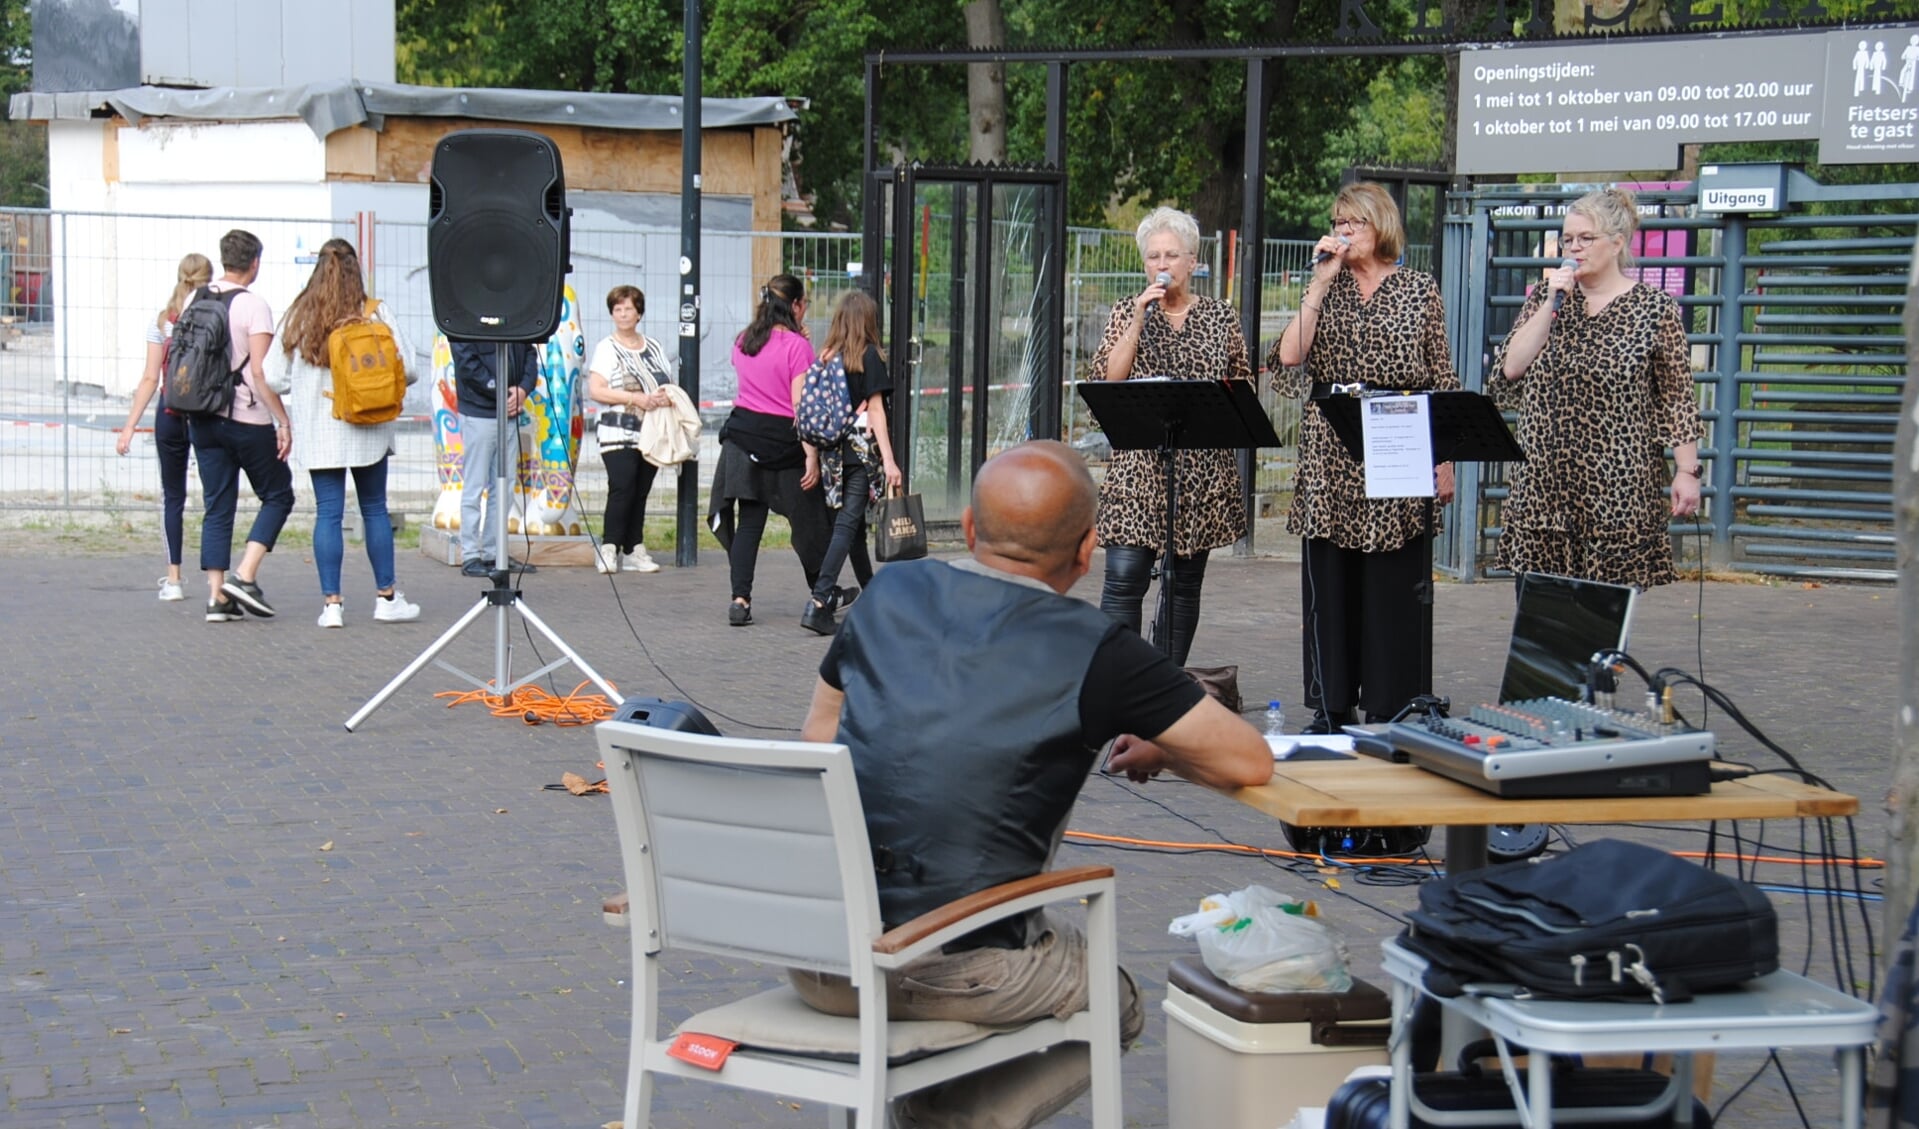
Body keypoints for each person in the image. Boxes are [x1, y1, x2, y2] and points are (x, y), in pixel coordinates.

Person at [797, 440, 1272, 1129]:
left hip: (817, 953)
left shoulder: (887, 591)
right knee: (1112, 999)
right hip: (956, 966)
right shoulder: (1099, 649)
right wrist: (1164, 750)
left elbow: (819, 735)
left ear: (966, 527)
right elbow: (1249, 762)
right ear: (1088, 550)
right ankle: (946, 1120)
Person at [1268, 182, 1459, 732]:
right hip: (1332, 443)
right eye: (1338, 222)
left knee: (1393, 583)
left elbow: (1440, 376)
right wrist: (1319, 283)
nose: (1344, 232)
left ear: (1382, 227)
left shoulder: (1419, 289)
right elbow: (1286, 366)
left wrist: (1443, 458)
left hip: (1396, 437)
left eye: (1354, 222)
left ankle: (1391, 702)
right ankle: (1330, 708)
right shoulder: (1324, 288)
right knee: (1329, 585)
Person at [1489, 186, 1703, 588]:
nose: (1574, 248)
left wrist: (1687, 471)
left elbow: (1678, 398)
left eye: (1586, 239)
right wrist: (1551, 301)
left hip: (1617, 495)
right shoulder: (1547, 299)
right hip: (1543, 493)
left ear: (1617, 243)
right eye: (1568, 239)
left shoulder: (1653, 309)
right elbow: (1511, 368)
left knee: (1598, 628)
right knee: (1541, 628)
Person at [1089, 206, 1252, 666]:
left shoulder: (1220, 317)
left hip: (1199, 473)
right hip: (1138, 470)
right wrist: (1138, 321)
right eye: (1153, 256)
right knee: (1123, 579)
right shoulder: (1127, 311)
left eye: (1171, 255)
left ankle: (1163, 688)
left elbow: (1241, 388)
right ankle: (1117, 683)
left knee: (1182, 587)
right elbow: (1108, 380)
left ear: (1193, 261)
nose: (1161, 265)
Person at [264, 238, 421, 628]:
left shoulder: (300, 314)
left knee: (328, 514)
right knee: (375, 509)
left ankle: (332, 605)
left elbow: (271, 376)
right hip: (369, 426)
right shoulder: (374, 312)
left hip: (321, 431)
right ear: (356, 271)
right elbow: (412, 368)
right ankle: (386, 597)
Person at [707, 273, 837, 626]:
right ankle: (821, 593)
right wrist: (811, 455)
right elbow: (801, 406)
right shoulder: (798, 347)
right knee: (809, 519)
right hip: (783, 443)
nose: (806, 310)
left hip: (742, 439)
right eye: (805, 304)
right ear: (794, 306)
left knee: (750, 521)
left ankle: (740, 599)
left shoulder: (743, 340)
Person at [193, 229, 295, 623]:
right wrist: (281, 420)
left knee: (217, 504)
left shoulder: (195, 298)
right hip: (246, 419)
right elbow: (259, 371)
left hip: (202, 417)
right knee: (278, 494)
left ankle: (217, 597)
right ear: (254, 263)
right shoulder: (254, 306)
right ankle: (245, 574)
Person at [797, 289, 897, 636]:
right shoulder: (869, 357)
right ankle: (820, 600)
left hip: (831, 455)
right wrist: (889, 460)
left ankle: (871, 595)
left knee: (852, 528)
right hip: (858, 454)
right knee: (847, 525)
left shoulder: (825, 356)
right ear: (868, 320)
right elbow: (877, 412)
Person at [116, 251, 211, 603]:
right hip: (207, 415)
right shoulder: (217, 318)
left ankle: (173, 579)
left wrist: (129, 426)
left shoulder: (162, 322)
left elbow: (148, 377)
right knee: (217, 496)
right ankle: (220, 576)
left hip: (169, 414)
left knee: (173, 497)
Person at [584, 284, 671, 575]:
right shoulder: (606, 348)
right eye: (618, 309)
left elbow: (666, 381)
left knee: (641, 490)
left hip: (650, 430)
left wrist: (661, 397)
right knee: (622, 487)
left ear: (639, 313)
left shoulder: (654, 346)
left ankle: (634, 547)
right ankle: (609, 547)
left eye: (628, 309)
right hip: (618, 430)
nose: (623, 314)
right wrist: (635, 398)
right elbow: (597, 389)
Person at [451, 338, 542, 578]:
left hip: (509, 414)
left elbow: (530, 353)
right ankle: (470, 554)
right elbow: (467, 364)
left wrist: (523, 389)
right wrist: (501, 391)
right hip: (479, 412)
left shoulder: (513, 316)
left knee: (504, 487)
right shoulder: (467, 318)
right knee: (475, 484)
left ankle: (495, 552)